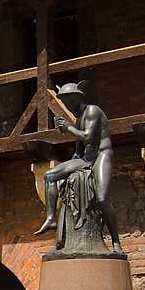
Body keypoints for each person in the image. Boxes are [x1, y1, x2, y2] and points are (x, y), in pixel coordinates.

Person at [33, 81, 123, 255]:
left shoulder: (92, 111)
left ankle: (116, 240)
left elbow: (88, 138)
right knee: (50, 176)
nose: (67, 105)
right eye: (64, 102)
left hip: (102, 155)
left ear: (76, 98)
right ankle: (51, 218)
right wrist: (67, 171)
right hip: (85, 158)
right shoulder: (77, 119)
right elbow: (78, 151)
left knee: (102, 197)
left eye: (68, 101)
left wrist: (67, 128)